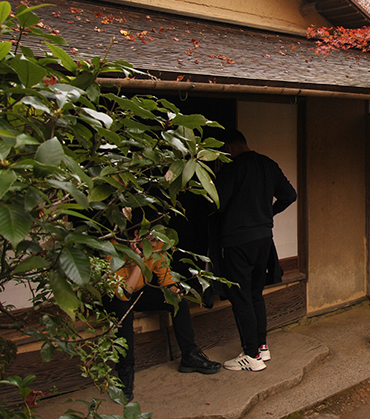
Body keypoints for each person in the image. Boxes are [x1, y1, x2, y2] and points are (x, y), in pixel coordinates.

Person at [215, 129, 297, 372]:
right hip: (263, 239)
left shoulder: (232, 168)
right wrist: (268, 213)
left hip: (238, 241)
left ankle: (250, 355)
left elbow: (216, 202)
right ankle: (261, 346)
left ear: (228, 148)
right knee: (255, 294)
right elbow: (289, 195)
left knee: (240, 297)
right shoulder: (267, 164)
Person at [105, 237, 221, 401]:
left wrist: (173, 288)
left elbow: (164, 275)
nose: (153, 244)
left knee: (177, 301)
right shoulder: (113, 249)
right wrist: (140, 260)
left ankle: (190, 355)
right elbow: (123, 294)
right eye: (149, 240)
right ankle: (125, 371)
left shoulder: (158, 245)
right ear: (135, 236)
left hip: (138, 290)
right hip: (116, 295)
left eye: (155, 240)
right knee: (124, 313)